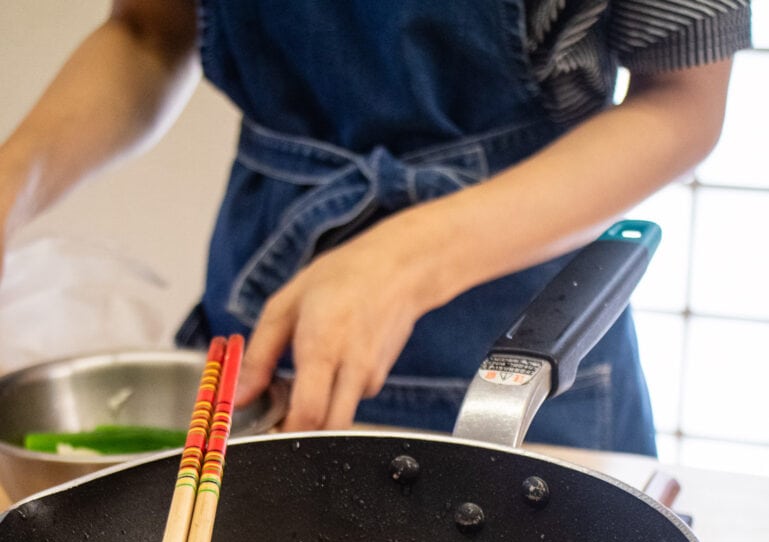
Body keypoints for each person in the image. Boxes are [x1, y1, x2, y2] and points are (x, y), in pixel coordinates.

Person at [0, 1, 752, 453]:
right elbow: (145, 33)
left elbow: (682, 102)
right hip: (265, 297)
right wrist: (12, 180)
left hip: (520, 325)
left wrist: (405, 260)